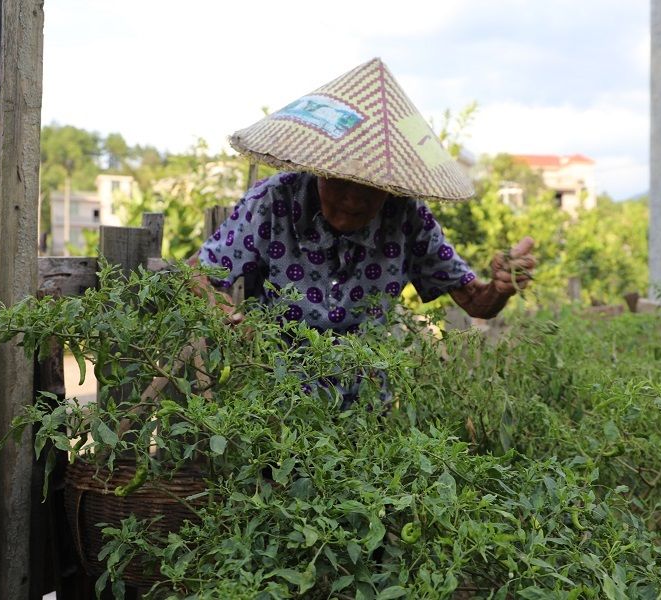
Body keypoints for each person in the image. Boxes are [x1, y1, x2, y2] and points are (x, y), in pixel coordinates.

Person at [190, 58, 536, 405]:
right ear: (319, 166)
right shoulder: (273, 200)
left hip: (367, 413)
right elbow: (198, 273)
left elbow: (476, 302)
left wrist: (501, 288)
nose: (354, 199)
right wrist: (232, 322)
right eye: (342, 181)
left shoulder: (408, 216)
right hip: (275, 407)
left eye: (371, 188)